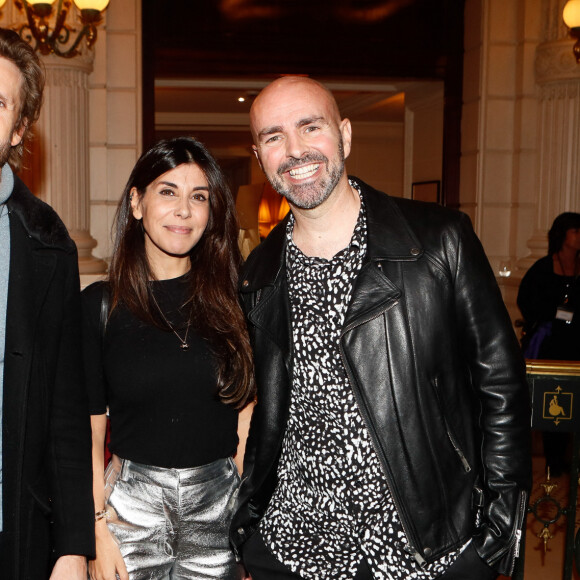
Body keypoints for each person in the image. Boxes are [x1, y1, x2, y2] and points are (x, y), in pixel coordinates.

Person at [230, 76, 532, 580]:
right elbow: (262, 411)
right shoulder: (258, 274)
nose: (295, 149)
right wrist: (251, 531)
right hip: (293, 547)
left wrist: (499, 527)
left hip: (426, 548)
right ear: (259, 155)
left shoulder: (438, 241)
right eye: (274, 136)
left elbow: (501, 384)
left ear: (344, 135)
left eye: (311, 127)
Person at [82, 136, 255, 580]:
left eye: (199, 197)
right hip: (129, 513)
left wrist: (250, 526)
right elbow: (88, 429)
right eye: (167, 192)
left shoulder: (238, 303)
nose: (184, 210)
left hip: (219, 511)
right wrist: (96, 531)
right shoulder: (100, 306)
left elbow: (245, 421)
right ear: (136, 203)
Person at [0, 28, 95, 578]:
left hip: (16, 530)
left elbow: (65, 408)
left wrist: (73, 545)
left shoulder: (46, 240)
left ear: (18, 131)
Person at [517, 212, 580, 476]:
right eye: (576, 231)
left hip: (576, 345)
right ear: (562, 235)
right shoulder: (543, 268)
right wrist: (550, 315)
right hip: (550, 347)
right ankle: (555, 461)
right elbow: (526, 301)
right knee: (553, 401)